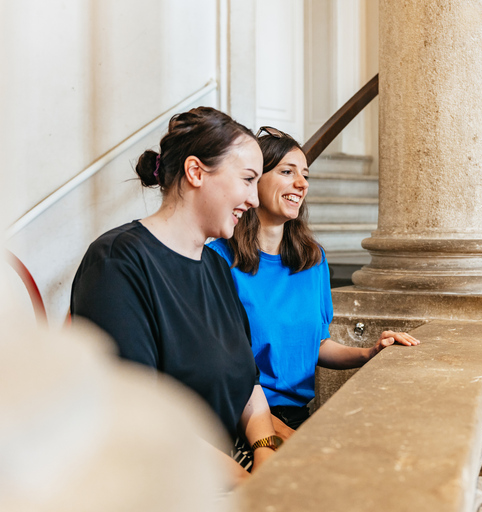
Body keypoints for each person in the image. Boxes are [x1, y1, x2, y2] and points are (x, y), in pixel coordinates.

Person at [70, 107, 280, 486]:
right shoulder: (118, 260)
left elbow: (248, 385)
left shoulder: (216, 267)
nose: (253, 199)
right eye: (247, 179)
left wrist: (266, 451)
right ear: (196, 172)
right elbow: (139, 415)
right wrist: (253, 488)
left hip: (233, 469)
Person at [208, 126, 419, 430]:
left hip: (296, 415)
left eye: (305, 175)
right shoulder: (217, 259)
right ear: (254, 179)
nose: (301, 183)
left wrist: (369, 352)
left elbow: (316, 344)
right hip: (237, 418)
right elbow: (214, 364)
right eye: (287, 171)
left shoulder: (312, 258)